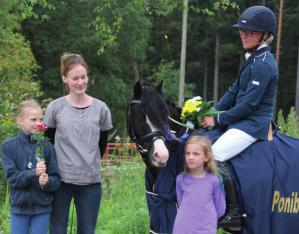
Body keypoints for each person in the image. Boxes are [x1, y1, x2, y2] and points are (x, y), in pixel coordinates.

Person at [200, 5, 278, 231]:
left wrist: (219, 120)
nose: (244, 35)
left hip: (254, 124)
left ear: (265, 35)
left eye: (250, 32)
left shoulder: (264, 64)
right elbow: (233, 92)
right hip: (242, 120)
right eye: (242, 31)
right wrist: (210, 111)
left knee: (215, 154)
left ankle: (234, 213)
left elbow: (249, 104)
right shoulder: (251, 59)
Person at [45, 53, 113, 234]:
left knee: (87, 231)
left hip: (90, 181)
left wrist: (88, 162)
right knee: (57, 230)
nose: (80, 82)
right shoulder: (55, 107)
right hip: (60, 180)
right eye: (75, 78)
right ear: (65, 79)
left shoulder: (101, 108)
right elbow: (48, 142)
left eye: (83, 77)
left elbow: (102, 144)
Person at [1, 100, 61, 234]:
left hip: (42, 208)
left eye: (40, 119)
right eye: (33, 119)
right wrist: (33, 172)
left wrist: (47, 182)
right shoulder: (8, 147)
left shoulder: (47, 146)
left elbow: (56, 180)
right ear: (20, 120)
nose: (38, 123)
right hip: (19, 208)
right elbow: (12, 179)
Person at [172, 135, 226, 234]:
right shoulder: (180, 179)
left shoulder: (214, 181)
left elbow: (220, 208)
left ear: (206, 157)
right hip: (182, 229)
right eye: (187, 153)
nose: (190, 157)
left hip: (206, 229)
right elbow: (181, 203)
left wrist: (207, 220)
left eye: (196, 154)